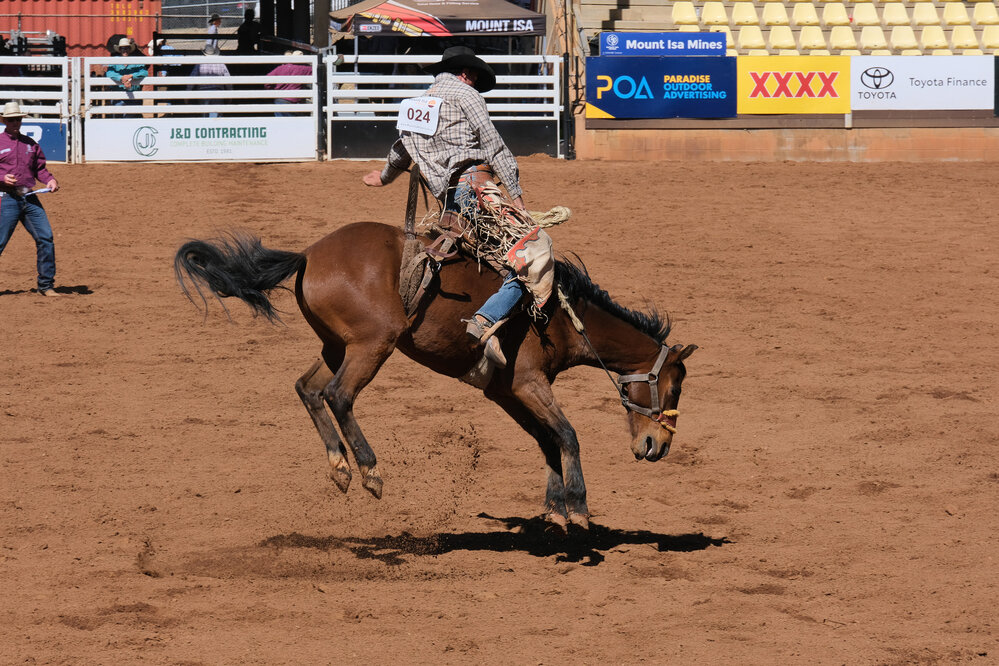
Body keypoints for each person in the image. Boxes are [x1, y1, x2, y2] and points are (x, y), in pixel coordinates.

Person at [362, 46, 533, 368]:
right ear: (466, 74)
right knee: (532, 258)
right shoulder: (468, 96)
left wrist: (384, 177)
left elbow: (401, 149)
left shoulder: (416, 104)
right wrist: (517, 198)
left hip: (449, 200)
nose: (475, 83)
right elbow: (494, 145)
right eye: (475, 78)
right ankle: (487, 321)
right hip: (474, 188)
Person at [0, 101, 62, 297]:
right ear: (4, 121)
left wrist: (50, 179)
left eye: (18, 119)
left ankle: (46, 285)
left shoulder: (30, 144)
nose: (15, 123)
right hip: (6, 198)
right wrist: (2, 178)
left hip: (29, 196)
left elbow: (39, 169)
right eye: (11, 120)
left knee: (45, 237)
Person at [105, 37, 147, 115]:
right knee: (119, 113)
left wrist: (131, 76)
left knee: (132, 115)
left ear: (130, 49)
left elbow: (144, 72)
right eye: (122, 48)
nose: (125, 50)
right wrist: (121, 78)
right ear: (119, 49)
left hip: (134, 95)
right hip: (119, 95)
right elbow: (109, 73)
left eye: (127, 48)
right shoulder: (115, 60)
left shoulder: (136, 60)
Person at [188, 44, 231, 118]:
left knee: (205, 116)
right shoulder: (221, 64)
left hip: (203, 93)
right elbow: (228, 81)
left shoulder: (200, 64)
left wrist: (188, 92)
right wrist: (230, 94)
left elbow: (192, 79)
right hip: (218, 93)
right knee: (217, 116)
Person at [265, 52, 312, 116]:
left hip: (280, 99)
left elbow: (267, 82)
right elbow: (318, 70)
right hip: (294, 100)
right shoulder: (304, 69)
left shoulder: (280, 68)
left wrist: (272, 91)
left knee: (280, 120)